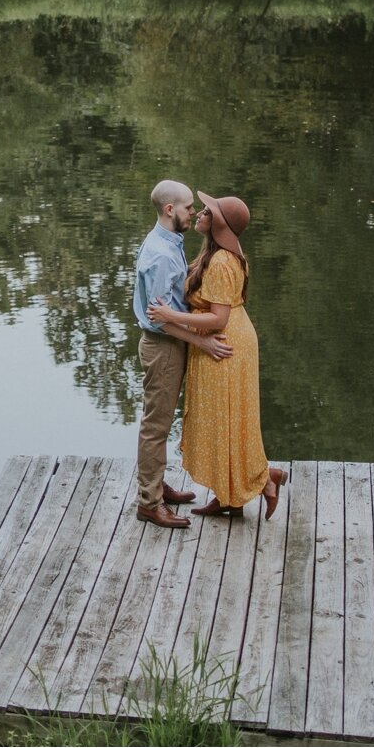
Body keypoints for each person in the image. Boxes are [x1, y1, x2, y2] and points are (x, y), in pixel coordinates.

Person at [147, 191, 288, 519]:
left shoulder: (223, 261)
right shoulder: (218, 253)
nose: (199, 214)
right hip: (223, 341)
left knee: (226, 420)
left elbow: (218, 318)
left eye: (207, 212)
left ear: (219, 224)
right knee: (226, 421)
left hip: (224, 344)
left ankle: (260, 479)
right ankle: (231, 497)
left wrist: (171, 316)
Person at [132, 178, 225, 529]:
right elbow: (159, 320)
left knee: (160, 420)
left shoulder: (168, 240)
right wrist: (203, 342)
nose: (193, 212)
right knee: (155, 426)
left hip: (171, 345)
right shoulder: (160, 254)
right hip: (163, 348)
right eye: (188, 207)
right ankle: (149, 502)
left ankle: (156, 485)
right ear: (170, 210)